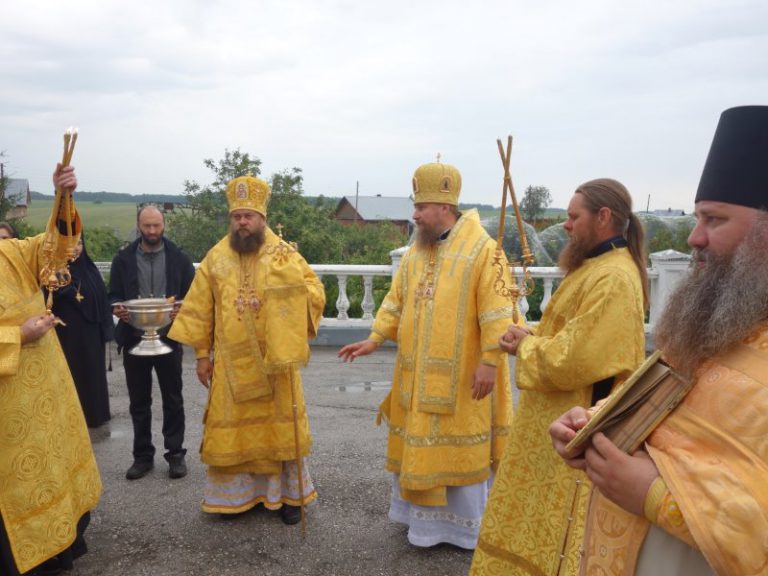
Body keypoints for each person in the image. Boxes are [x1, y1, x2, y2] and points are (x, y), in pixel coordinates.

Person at [550, 105, 768, 575]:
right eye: (697, 218)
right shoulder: (721, 321)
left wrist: (654, 496)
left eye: (714, 220)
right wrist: (595, 422)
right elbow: (665, 409)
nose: (694, 238)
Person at [471, 179, 648, 574]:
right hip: (555, 417)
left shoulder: (613, 277)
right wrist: (532, 334)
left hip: (575, 425)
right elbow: (574, 333)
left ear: (603, 217)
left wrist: (526, 347)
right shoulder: (596, 267)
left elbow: (578, 358)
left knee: (560, 539)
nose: (566, 225)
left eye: (573, 216)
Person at [338, 160, 515, 549]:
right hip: (416, 376)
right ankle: (420, 522)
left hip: (464, 378)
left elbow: (498, 314)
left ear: (444, 207)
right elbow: (395, 300)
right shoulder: (416, 252)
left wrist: (490, 362)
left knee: (456, 453)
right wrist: (375, 338)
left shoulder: (485, 251)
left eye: (421, 207)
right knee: (419, 446)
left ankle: (460, 529)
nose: (415, 215)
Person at [168, 175, 325, 525]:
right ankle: (236, 498)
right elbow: (201, 309)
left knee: (278, 434)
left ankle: (288, 497)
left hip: (275, 363)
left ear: (262, 218)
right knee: (235, 436)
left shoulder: (283, 254)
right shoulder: (216, 257)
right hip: (230, 365)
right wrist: (202, 356)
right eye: (237, 216)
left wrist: (294, 292)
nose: (242, 222)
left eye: (248, 216)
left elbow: (315, 292)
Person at [0, 164, 101, 575]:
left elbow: (53, 252)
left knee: (52, 469)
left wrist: (63, 199)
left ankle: (60, 549)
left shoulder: (8, 253)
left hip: (43, 398)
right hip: (7, 414)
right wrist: (16, 336)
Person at [109, 205, 195, 480]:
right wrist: (118, 307)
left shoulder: (179, 258)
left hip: (169, 338)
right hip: (134, 339)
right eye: (147, 226)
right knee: (139, 402)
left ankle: (176, 454)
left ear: (163, 225)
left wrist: (182, 309)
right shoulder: (123, 259)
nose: (152, 231)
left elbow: (193, 295)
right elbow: (113, 294)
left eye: (156, 225)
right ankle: (142, 456)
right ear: (139, 225)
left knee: (173, 399)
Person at [48, 234, 114, 428]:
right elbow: (48, 300)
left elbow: (102, 300)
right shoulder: (54, 271)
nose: (75, 248)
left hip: (92, 334)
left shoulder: (90, 269)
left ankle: (96, 415)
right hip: (67, 335)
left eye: (79, 243)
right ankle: (73, 419)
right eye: (70, 244)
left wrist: (107, 329)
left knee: (93, 374)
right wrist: (64, 291)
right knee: (72, 374)